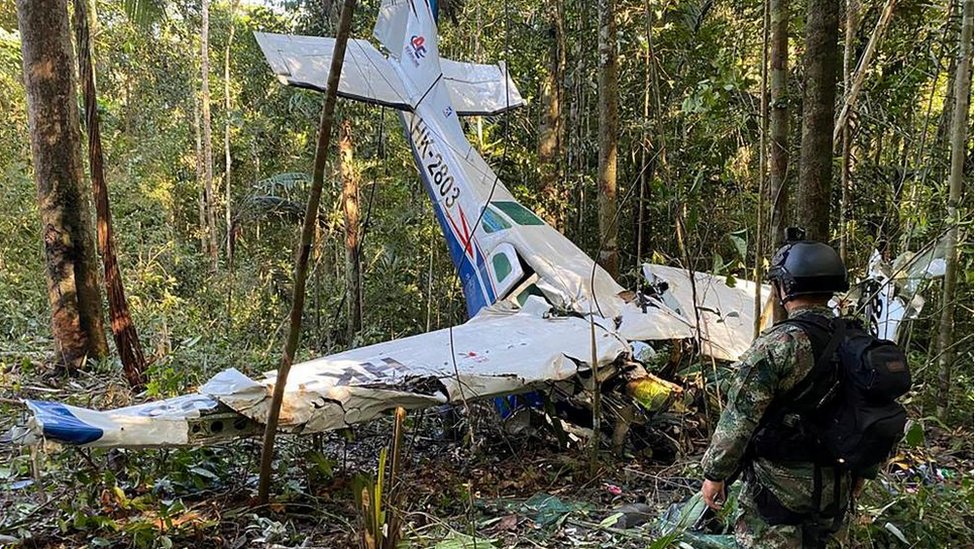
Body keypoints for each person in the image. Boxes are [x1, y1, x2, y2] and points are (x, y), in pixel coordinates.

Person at [699, 235, 864, 548]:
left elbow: (739, 419)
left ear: (785, 287)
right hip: (836, 490)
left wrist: (714, 474)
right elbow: (873, 408)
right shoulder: (856, 340)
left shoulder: (779, 345)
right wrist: (862, 473)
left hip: (777, 492)